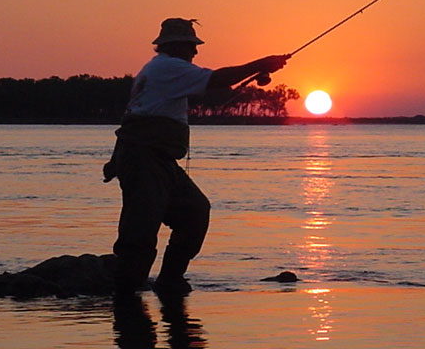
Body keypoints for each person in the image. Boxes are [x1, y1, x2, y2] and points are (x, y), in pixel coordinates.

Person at [104, 18, 289, 296]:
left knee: (195, 212)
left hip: (157, 160)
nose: (195, 52)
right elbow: (218, 79)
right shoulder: (168, 67)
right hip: (145, 159)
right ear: (176, 46)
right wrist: (261, 64)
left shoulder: (158, 70)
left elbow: (135, 114)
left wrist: (115, 159)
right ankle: (127, 294)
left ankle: (168, 281)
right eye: (192, 46)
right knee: (140, 229)